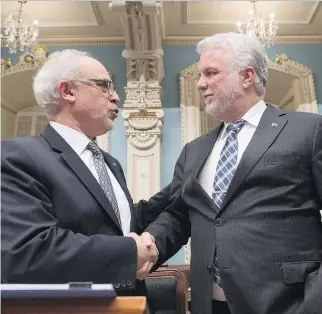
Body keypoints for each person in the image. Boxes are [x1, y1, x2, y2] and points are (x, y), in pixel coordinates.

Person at [143, 32, 322, 314]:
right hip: (209, 305)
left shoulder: (308, 131)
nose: (201, 83)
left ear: (247, 76)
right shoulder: (194, 150)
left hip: (289, 303)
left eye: (211, 73)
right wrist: (148, 243)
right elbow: (179, 215)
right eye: (200, 74)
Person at [1, 49, 166, 299]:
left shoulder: (109, 163)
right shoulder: (17, 157)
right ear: (67, 91)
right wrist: (128, 252)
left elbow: (117, 226)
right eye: (105, 86)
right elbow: (28, 252)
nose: (116, 97)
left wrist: (185, 183)